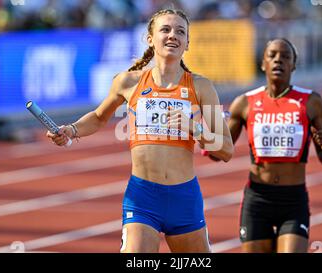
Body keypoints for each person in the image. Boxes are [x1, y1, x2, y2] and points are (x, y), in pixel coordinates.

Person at [47, 8, 233, 253]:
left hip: (184, 197)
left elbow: (226, 149)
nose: (172, 35)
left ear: (187, 43)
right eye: (165, 29)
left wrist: (195, 128)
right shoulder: (128, 82)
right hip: (143, 197)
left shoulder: (201, 86)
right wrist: (70, 130)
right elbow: (98, 117)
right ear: (150, 38)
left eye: (180, 31)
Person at [218, 38, 322, 253]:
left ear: (294, 65)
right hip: (258, 199)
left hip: (293, 200)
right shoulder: (244, 102)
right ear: (263, 63)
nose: (278, 60)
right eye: (272, 55)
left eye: (285, 56)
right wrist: (206, 135)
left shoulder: (311, 102)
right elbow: (221, 152)